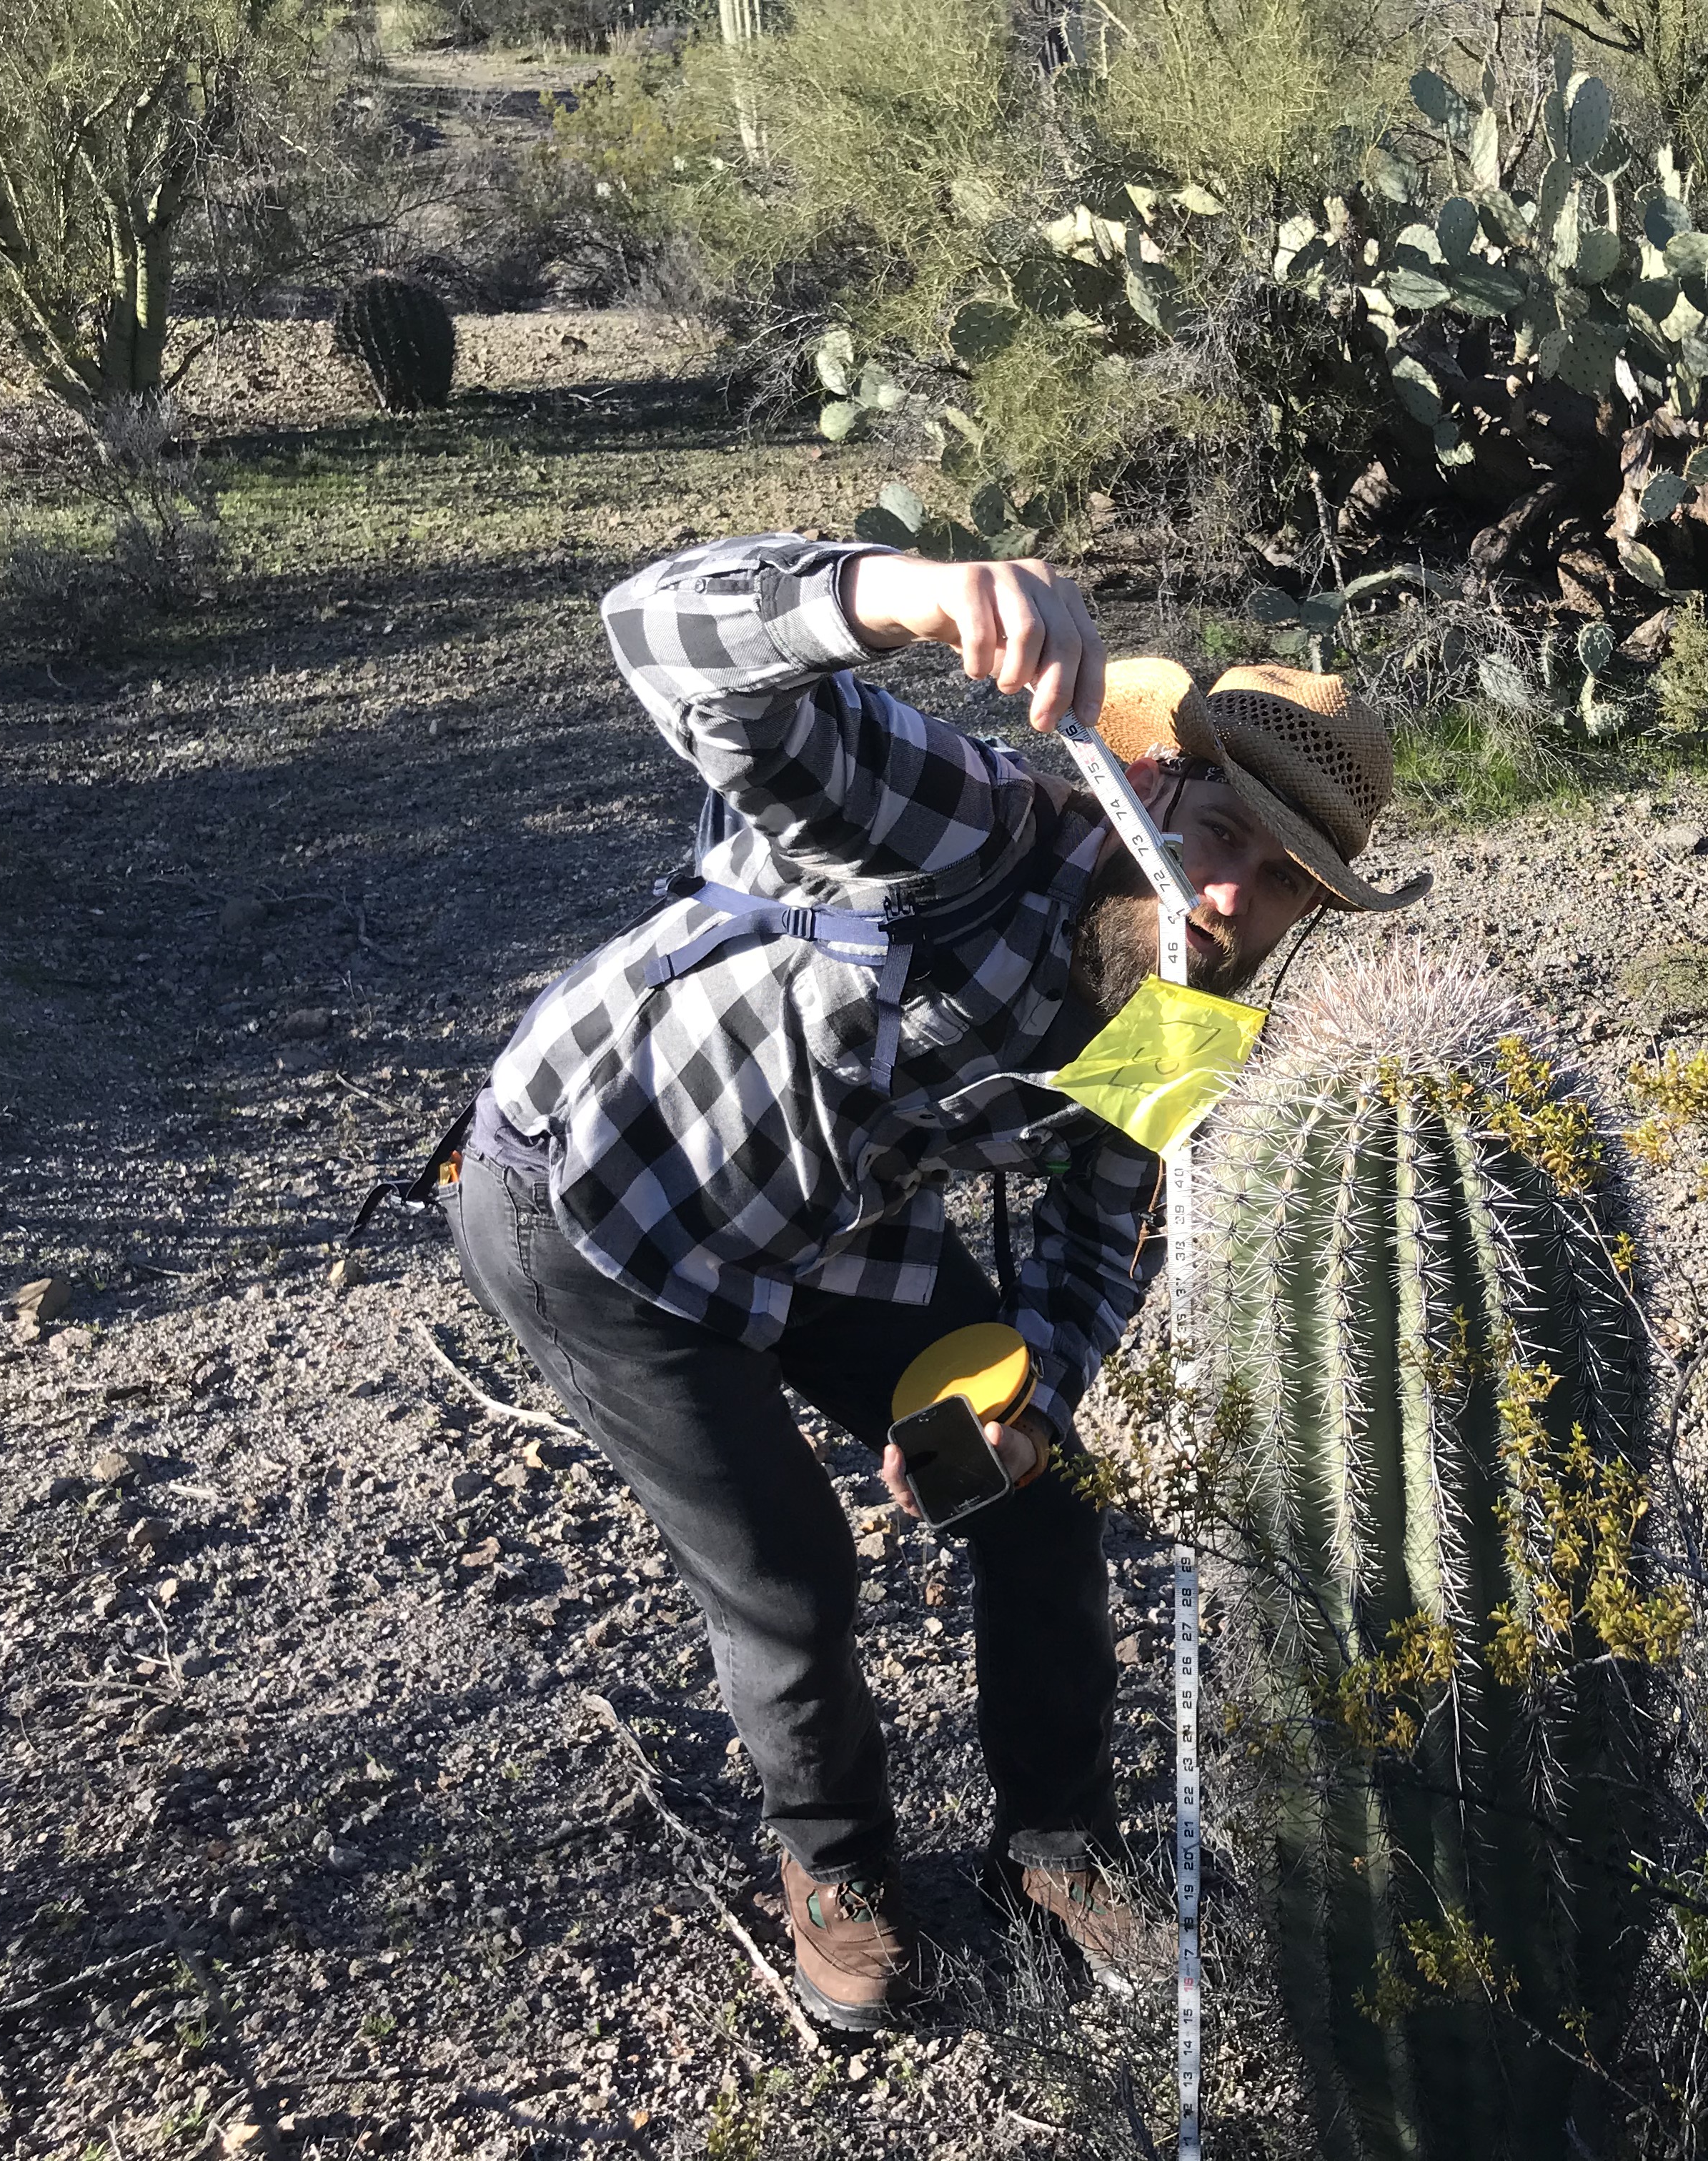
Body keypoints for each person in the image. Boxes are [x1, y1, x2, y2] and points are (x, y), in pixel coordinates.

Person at [445, 532, 1427, 2031]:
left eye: (1282, 885)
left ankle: (1051, 1849)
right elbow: (661, 640)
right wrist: (893, 596)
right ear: (1157, 783)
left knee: (1043, 1500)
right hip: (599, 1202)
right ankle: (835, 1879)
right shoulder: (973, 828)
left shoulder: (1183, 1008)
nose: (1226, 897)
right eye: (1223, 831)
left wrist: (1035, 1392)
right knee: (787, 1574)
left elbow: (1102, 1228)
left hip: (834, 1223)